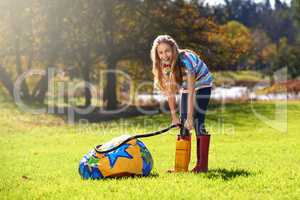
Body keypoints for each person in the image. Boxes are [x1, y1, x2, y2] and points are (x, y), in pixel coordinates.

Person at [150, 35, 213, 173]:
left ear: (173, 49)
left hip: (202, 84)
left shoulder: (185, 61)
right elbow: (170, 92)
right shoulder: (164, 65)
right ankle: (181, 166)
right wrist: (174, 117)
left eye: (167, 51)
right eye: (160, 52)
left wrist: (190, 118)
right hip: (187, 87)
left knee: (197, 121)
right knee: (183, 123)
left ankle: (202, 166)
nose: (164, 55)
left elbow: (191, 92)